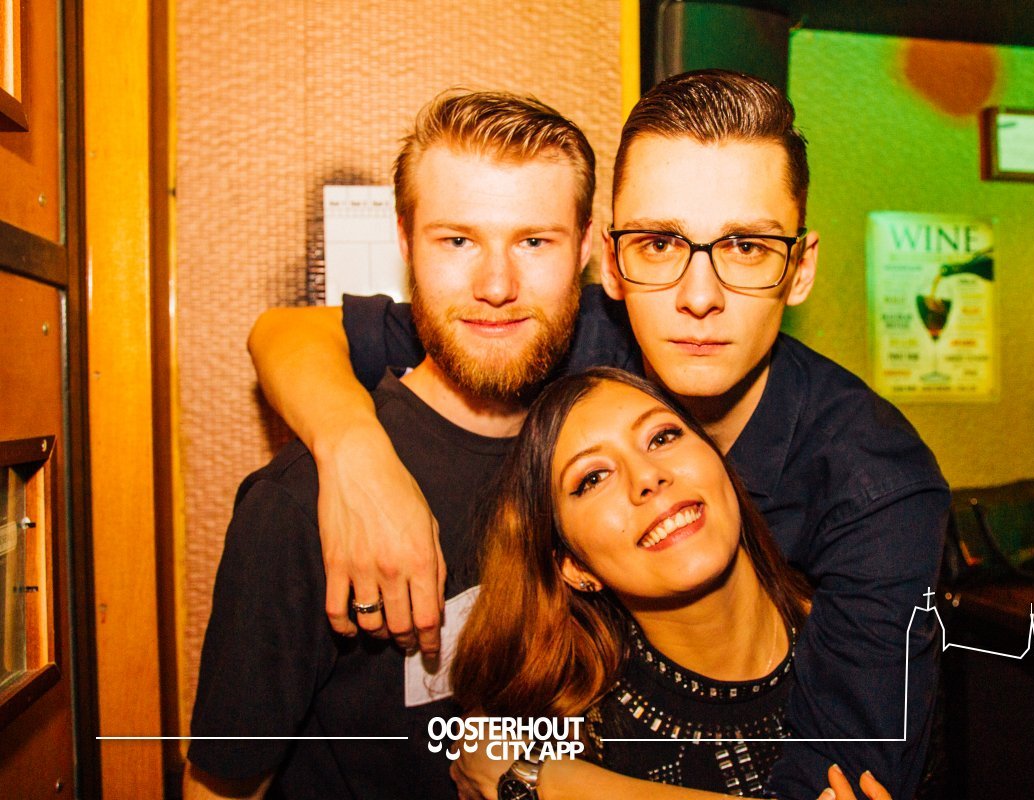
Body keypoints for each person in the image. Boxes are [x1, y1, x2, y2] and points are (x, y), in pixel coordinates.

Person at [249, 70, 948, 798]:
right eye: (659, 243)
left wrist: (539, 778)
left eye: (746, 246)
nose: (698, 297)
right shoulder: (563, 336)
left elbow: (839, 786)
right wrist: (357, 458)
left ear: (798, 270)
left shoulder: (877, 483)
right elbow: (289, 333)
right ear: (612, 263)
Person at [183, 89, 597, 799]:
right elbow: (224, 787)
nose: (497, 285)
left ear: (585, 248)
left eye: (534, 241)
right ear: (405, 244)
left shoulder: (608, 452)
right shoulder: (299, 507)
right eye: (457, 240)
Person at [447, 367, 890, 800]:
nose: (647, 477)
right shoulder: (559, 737)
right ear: (574, 567)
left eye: (662, 437)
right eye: (593, 478)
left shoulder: (878, 636)